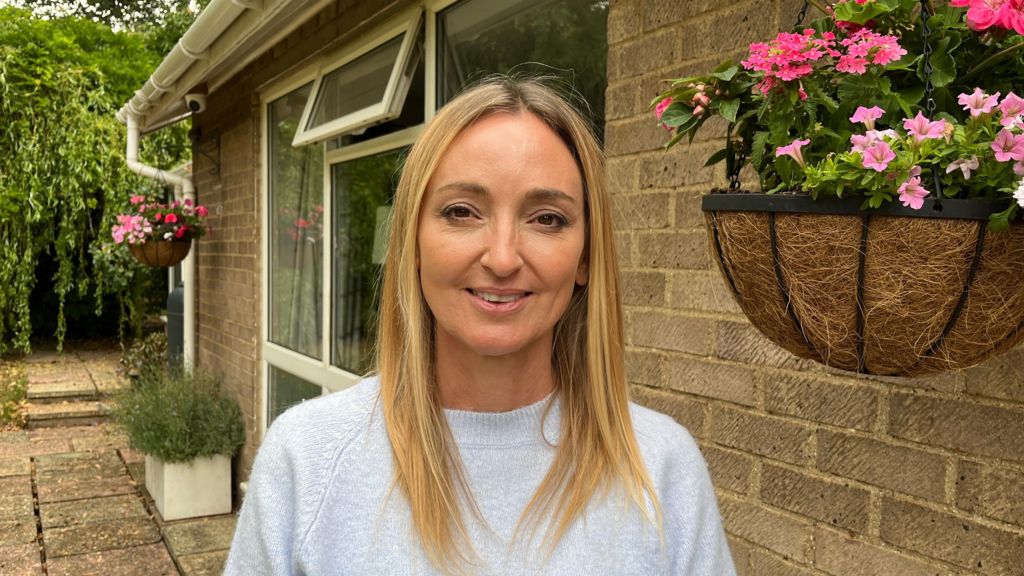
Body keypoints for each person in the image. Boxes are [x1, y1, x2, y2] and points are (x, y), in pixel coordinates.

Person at [224, 77, 736, 575]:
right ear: (412, 244)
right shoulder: (307, 460)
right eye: (462, 211)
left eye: (547, 219)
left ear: (585, 258)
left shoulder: (662, 467)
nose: (503, 257)